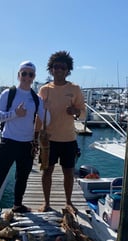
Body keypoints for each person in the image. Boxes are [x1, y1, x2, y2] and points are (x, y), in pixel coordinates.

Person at [0, 61, 48, 229]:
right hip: (9, 141)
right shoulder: (8, 94)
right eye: (23, 73)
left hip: (27, 143)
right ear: (18, 75)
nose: (26, 77)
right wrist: (15, 114)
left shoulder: (35, 98)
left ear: (34, 78)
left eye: (30, 74)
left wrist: (48, 108)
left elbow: (48, 118)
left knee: (22, 177)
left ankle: (17, 204)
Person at [38, 50, 86, 213]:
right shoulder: (44, 90)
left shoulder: (75, 89)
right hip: (48, 140)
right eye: (55, 67)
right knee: (46, 172)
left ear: (68, 70)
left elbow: (84, 113)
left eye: (62, 67)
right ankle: (46, 202)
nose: (58, 70)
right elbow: (38, 114)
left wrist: (76, 111)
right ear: (50, 69)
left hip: (68, 140)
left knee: (69, 173)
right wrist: (35, 135)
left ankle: (68, 202)